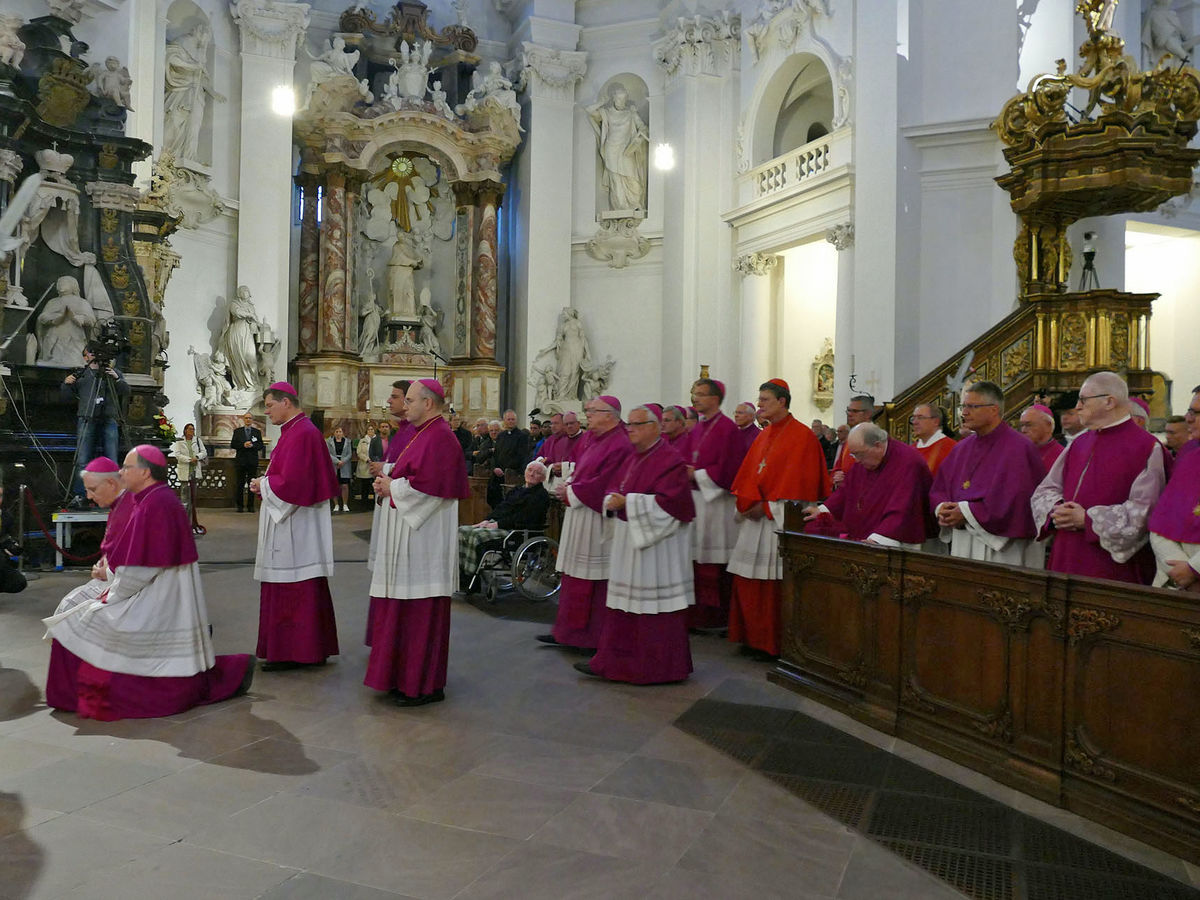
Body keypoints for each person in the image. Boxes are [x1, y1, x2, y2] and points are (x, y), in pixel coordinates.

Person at [44, 446, 253, 720]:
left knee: (78, 622)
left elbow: (138, 570)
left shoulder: (153, 504)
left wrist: (110, 594)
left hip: (155, 596)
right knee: (79, 612)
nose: (122, 472)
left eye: (127, 468)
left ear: (144, 472)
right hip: (164, 590)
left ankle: (80, 692)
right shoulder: (155, 499)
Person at [365, 380, 470, 706]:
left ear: (428, 403)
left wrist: (391, 488)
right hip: (410, 537)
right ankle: (403, 679)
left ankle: (423, 685)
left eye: (409, 400)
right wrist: (391, 482)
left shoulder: (440, 437)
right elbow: (412, 474)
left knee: (421, 612)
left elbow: (430, 487)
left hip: (425, 541)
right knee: (404, 610)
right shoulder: (424, 433)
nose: (404, 406)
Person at [576, 405, 696, 683]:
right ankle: (613, 661)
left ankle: (654, 668)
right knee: (624, 606)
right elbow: (615, 487)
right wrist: (611, 499)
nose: (629, 428)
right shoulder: (634, 456)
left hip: (656, 549)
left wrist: (627, 502)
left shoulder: (669, 460)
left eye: (637, 424)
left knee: (651, 608)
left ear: (655, 427)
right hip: (630, 541)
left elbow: (673, 505)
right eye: (628, 424)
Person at [1032, 372, 1167, 584]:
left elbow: (1145, 511)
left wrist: (1087, 519)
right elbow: (1046, 489)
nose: (1077, 406)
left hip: (1109, 568)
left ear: (1109, 401)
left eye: (1083, 400)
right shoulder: (1079, 443)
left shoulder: (1146, 447)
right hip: (1065, 556)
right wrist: (1056, 509)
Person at [727, 379, 830, 658]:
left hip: (778, 522)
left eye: (764, 400)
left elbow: (802, 490)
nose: (759, 404)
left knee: (772, 587)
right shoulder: (765, 434)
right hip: (756, 520)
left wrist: (768, 508)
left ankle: (771, 643)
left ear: (782, 402)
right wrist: (747, 503)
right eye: (759, 399)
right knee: (748, 581)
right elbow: (752, 473)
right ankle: (749, 637)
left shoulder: (803, 437)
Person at [252, 383, 340, 670]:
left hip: (296, 526)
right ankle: (294, 650)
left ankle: (297, 651)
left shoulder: (302, 433)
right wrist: (265, 485)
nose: (266, 411)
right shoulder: (295, 431)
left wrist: (263, 485)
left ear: (286, 402)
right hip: (294, 522)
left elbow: (293, 485)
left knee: (294, 585)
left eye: (269, 405)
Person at [542, 395, 633, 650]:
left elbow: (606, 480)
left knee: (592, 579)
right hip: (579, 514)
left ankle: (589, 637)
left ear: (610, 414)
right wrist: (567, 485)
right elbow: (581, 470)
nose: (588, 415)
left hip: (596, 520)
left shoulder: (620, 442)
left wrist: (571, 492)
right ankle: (566, 631)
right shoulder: (591, 438)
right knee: (574, 576)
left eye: (593, 411)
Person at [930, 381, 1045, 566]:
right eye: (963, 406)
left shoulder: (1019, 448)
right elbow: (940, 487)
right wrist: (942, 508)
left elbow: (1017, 500)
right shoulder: (961, 448)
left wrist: (966, 513)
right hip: (964, 540)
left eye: (972, 406)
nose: (964, 412)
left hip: (1002, 547)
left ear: (994, 410)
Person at [803, 423, 932, 549]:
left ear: (878, 446)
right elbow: (847, 490)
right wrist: (823, 510)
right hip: (862, 538)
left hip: (894, 543)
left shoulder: (908, 462)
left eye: (859, 454)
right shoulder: (866, 460)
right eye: (853, 455)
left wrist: (879, 539)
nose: (857, 460)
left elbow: (903, 508)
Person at [682, 378, 746, 632]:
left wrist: (695, 475)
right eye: (694, 393)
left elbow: (730, 469)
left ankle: (717, 619)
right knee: (696, 559)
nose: (695, 398)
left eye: (700, 394)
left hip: (718, 505)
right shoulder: (697, 428)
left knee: (715, 562)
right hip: (698, 502)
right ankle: (697, 615)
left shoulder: (728, 429)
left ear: (716, 399)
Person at [457, 460, 551, 585]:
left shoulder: (541, 496)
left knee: (476, 536)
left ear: (543, 478)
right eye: (530, 470)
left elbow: (523, 518)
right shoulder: (517, 489)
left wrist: (497, 524)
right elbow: (502, 508)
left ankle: (472, 580)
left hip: (518, 531)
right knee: (462, 531)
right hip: (502, 524)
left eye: (537, 473)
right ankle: (462, 573)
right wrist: (486, 521)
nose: (532, 474)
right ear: (525, 472)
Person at [61, 344, 129, 496]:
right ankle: (81, 494)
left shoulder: (113, 373)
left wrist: (117, 379)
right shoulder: (81, 374)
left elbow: (126, 391)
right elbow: (65, 397)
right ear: (85, 357)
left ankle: (113, 493)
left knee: (111, 458)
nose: (94, 355)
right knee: (83, 459)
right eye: (90, 353)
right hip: (86, 417)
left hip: (109, 418)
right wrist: (66, 384)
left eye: (95, 352)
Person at [585, 83, 649, 212]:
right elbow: (589, 111)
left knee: (633, 179)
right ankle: (621, 207)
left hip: (627, 150)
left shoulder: (630, 113)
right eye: (619, 98)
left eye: (624, 98)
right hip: (611, 150)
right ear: (613, 98)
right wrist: (600, 102)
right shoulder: (606, 113)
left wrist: (639, 137)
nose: (622, 101)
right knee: (617, 181)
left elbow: (643, 128)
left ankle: (635, 204)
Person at [490, 409, 531, 507]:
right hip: (498, 475)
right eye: (508, 419)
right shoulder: (501, 436)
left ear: (516, 421)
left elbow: (523, 456)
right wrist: (494, 468)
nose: (511, 421)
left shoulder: (522, 436)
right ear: (504, 420)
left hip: (513, 474)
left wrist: (509, 470)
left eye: (513, 419)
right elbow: (495, 455)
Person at [832, 395, 875, 488]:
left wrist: (847, 479)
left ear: (868, 414)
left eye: (855, 411)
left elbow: (873, 471)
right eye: (849, 410)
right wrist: (837, 474)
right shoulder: (851, 436)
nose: (849, 414)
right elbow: (839, 465)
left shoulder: (874, 437)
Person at [230, 412, 265, 513]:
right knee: (240, 484)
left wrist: (253, 446)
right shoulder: (238, 431)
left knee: (252, 484)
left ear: (252, 420)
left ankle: (250, 506)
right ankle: (240, 506)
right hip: (241, 461)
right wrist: (243, 445)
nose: (248, 420)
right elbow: (233, 444)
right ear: (244, 420)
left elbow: (260, 445)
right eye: (246, 418)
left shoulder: (257, 432)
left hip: (252, 461)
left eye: (250, 418)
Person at [169, 423, 207, 511]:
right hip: (185, 468)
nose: (192, 431)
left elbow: (204, 452)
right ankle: (184, 509)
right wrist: (189, 459)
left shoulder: (197, 440)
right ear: (185, 430)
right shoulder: (180, 441)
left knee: (194, 491)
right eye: (190, 429)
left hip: (194, 468)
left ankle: (192, 509)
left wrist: (197, 457)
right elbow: (178, 455)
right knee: (184, 490)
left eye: (193, 429)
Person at [911, 404, 956, 476]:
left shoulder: (952, 448)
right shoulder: (911, 449)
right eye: (913, 418)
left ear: (936, 421)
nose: (915, 422)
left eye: (920, 418)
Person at [0, 482, 28, 594]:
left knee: (19, 582)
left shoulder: (6, 516)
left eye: (0, 495)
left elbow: (4, 537)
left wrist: (11, 546)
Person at [1018, 404, 1063, 472]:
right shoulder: (1018, 453)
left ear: (1048, 425)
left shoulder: (1062, 456)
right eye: (1022, 425)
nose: (1023, 430)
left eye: (1028, 425)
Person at [326, 426, 353, 513]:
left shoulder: (347, 442)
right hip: (334, 465)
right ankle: (336, 504)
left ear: (343, 433)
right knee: (335, 485)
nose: (338, 433)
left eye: (340, 432)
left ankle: (345, 504)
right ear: (334, 433)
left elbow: (349, 454)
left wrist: (342, 462)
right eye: (337, 432)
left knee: (344, 485)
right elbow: (328, 453)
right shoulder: (329, 442)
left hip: (344, 465)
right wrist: (337, 461)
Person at [356, 425, 376, 502]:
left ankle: (374, 503)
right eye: (369, 429)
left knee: (375, 484)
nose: (370, 431)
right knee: (365, 485)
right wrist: (367, 459)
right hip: (365, 465)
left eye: (372, 429)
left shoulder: (377, 440)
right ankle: (364, 502)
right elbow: (359, 452)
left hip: (375, 465)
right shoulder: (362, 441)